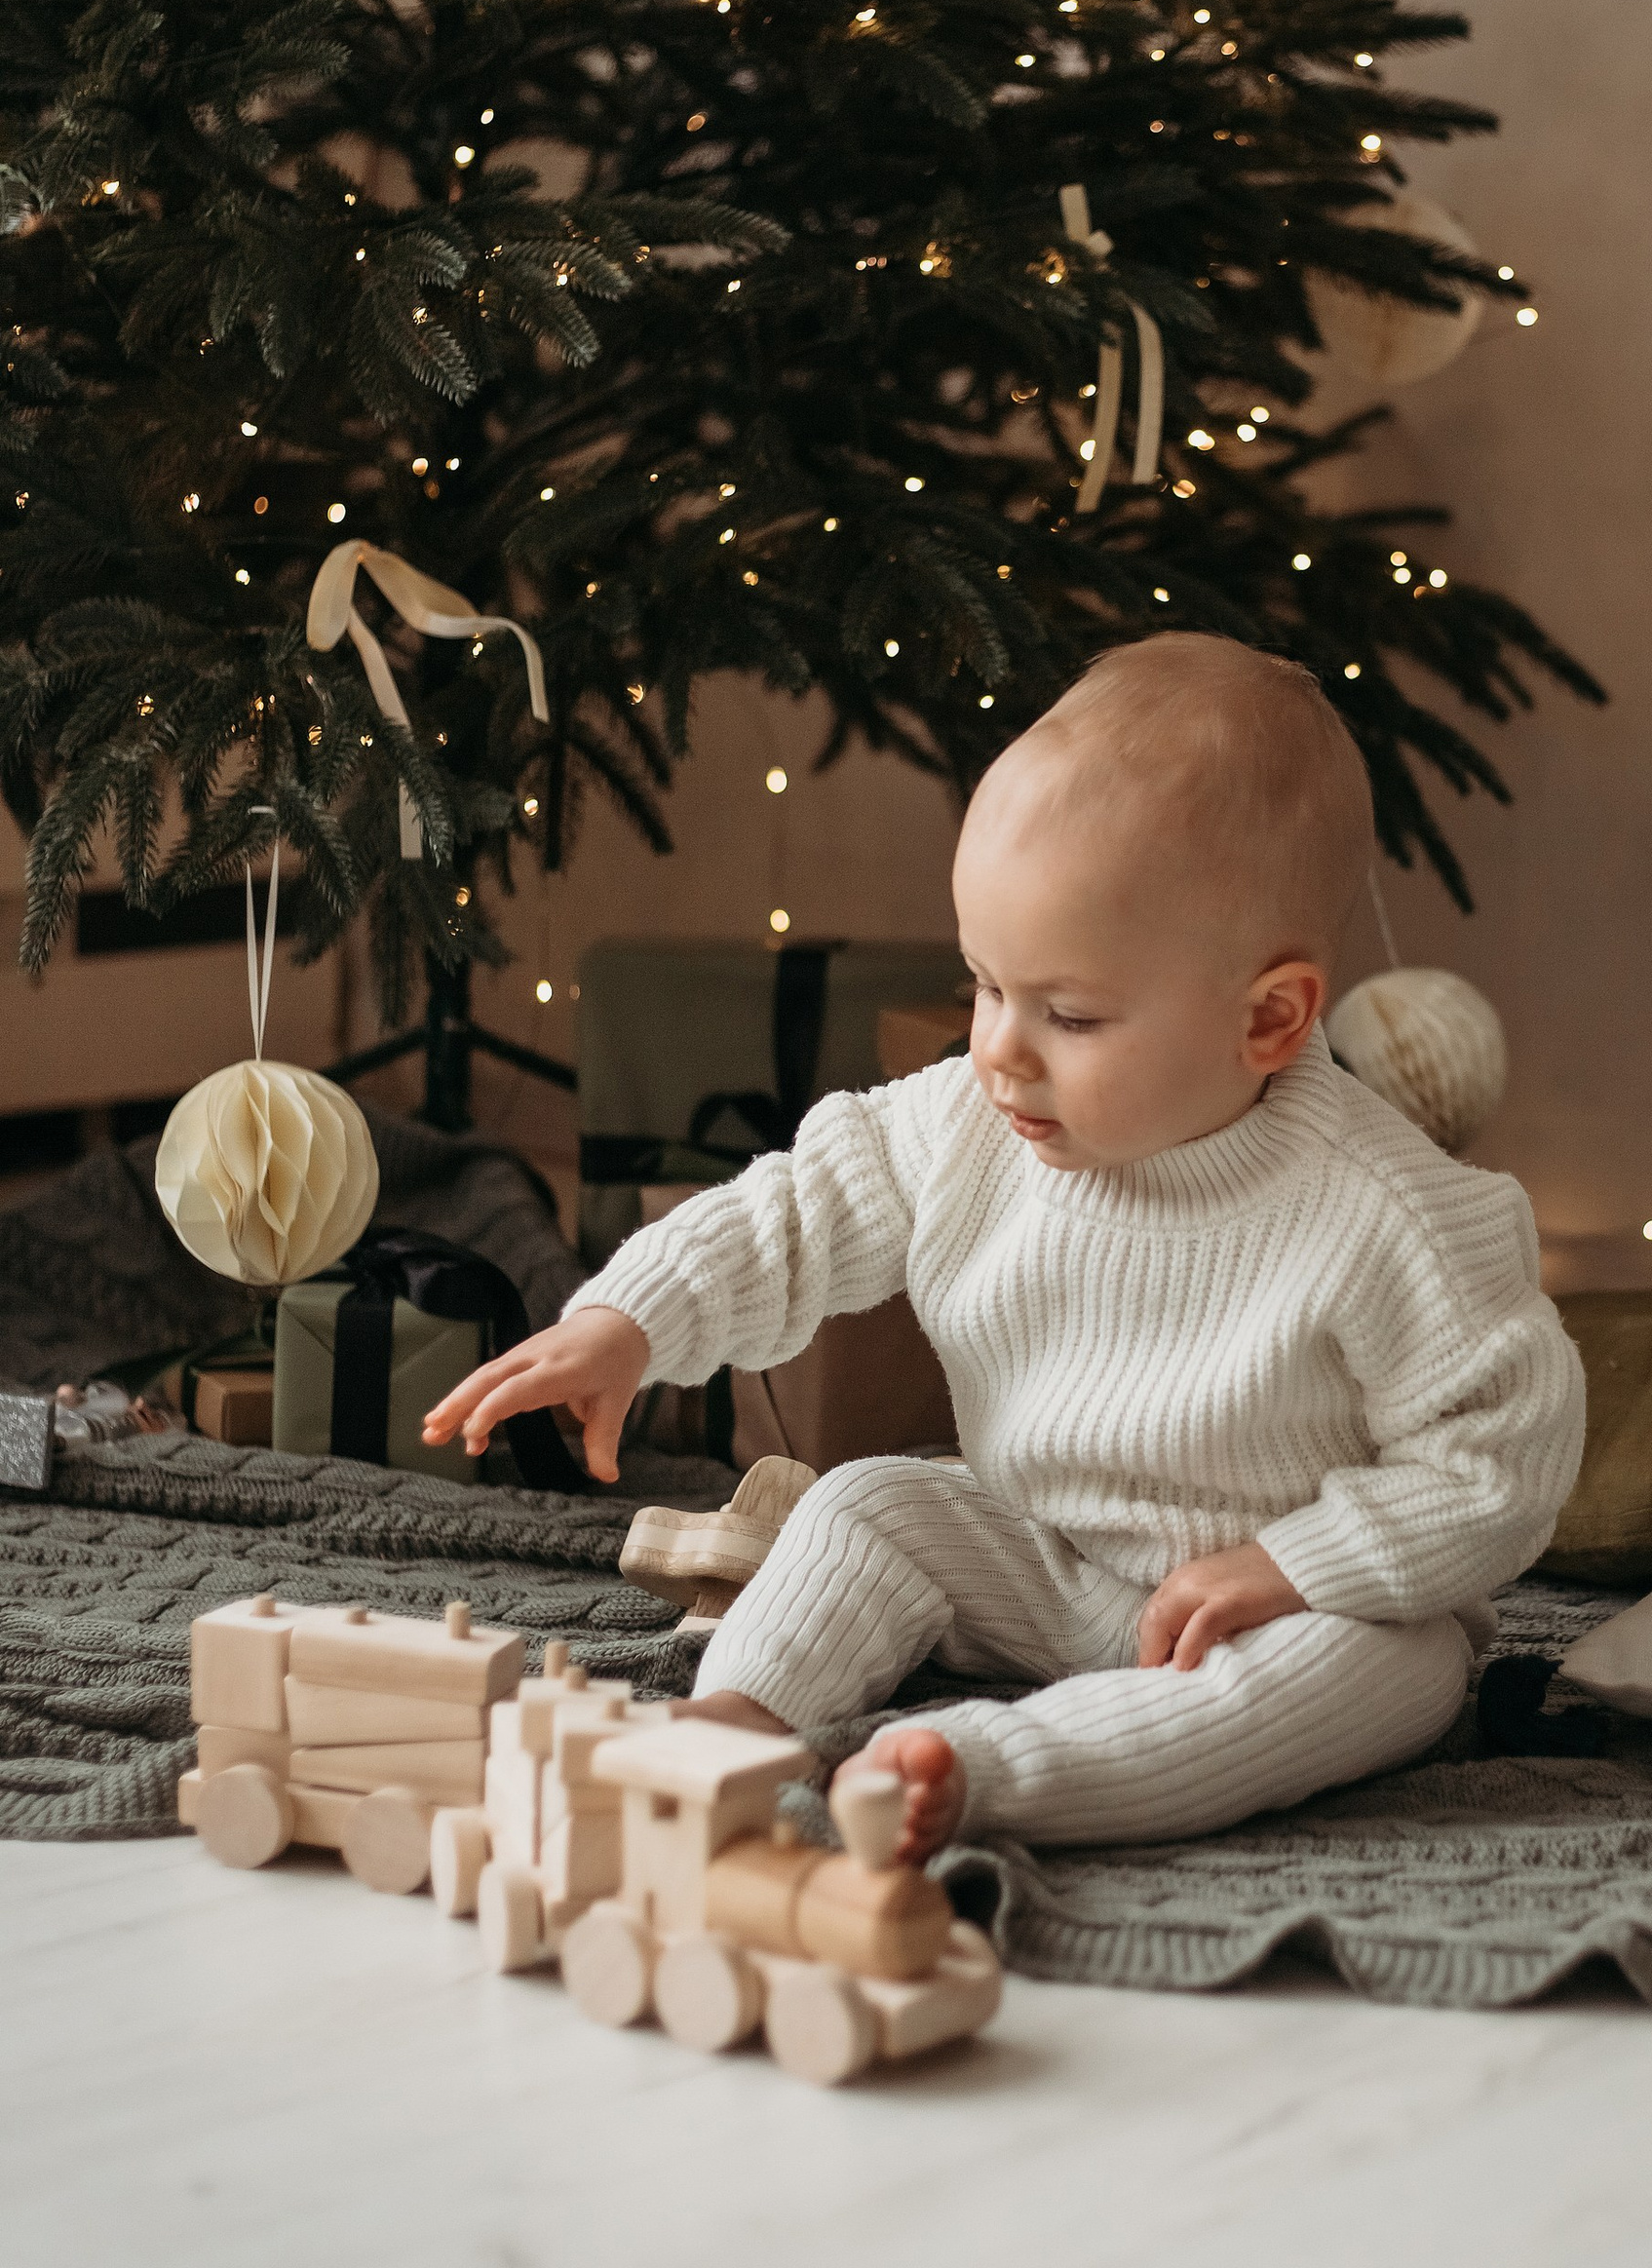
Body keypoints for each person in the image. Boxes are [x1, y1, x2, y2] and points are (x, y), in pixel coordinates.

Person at [425, 635, 1585, 1863]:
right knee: (871, 1502)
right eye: (984, 986)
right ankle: (737, 1716)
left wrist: (1296, 1566)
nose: (999, 1050)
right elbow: (804, 1206)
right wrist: (632, 1321)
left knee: (1372, 1677)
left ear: (1270, 1018)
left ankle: (977, 1774)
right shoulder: (971, 1121)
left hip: (1284, 1609)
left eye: (1068, 1014)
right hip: (1043, 1554)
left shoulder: (1387, 1213)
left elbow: (1500, 1463)